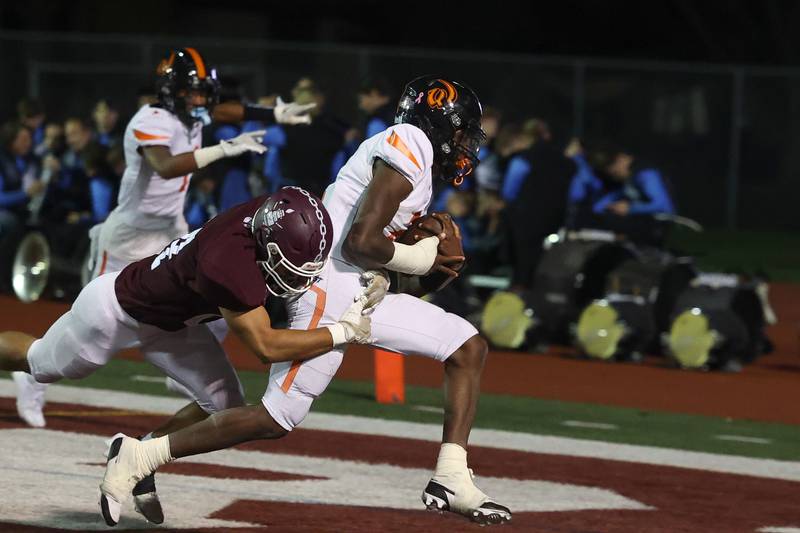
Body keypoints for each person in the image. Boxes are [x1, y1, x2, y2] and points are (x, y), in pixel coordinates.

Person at [98, 76, 511, 526]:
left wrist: (422, 271)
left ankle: (450, 475)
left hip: (357, 287)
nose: (463, 143)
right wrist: (422, 255)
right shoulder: (409, 140)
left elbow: (378, 257)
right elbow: (359, 242)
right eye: (459, 130)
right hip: (329, 286)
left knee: (466, 347)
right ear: (436, 121)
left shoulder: (417, 156)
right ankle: (139, 455)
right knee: (275, 417)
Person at [0, 188, 372, 526]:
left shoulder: (273, 216)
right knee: (40, 363)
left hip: (175, 324)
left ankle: (139, 455)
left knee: (227, 408)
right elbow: (266, 346)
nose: (297, 280)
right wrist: (341, 332)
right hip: (116, 312)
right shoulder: (227, 261)